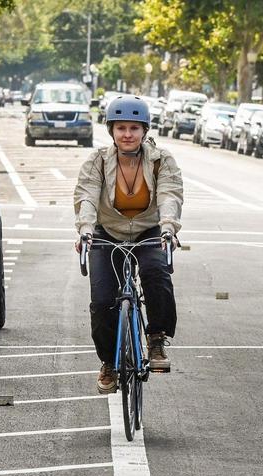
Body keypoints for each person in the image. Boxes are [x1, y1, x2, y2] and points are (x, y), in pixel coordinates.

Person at [74, 95, 184, 394]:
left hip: (150, 231)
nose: (127, 134)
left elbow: (170, 195)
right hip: (107, 231)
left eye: (134, 128)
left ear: (145, 130)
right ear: (111, 130)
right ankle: (108, 362)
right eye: (120, 127)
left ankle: (157, 339)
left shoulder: (162, 160)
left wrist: (168, 229)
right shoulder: (97, 161)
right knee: (101, 301)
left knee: (157, 273)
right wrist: (85, 230)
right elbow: (86, 195)